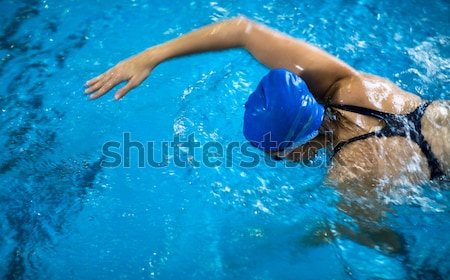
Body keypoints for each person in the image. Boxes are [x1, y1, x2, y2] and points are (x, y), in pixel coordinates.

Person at [85, 16, 449, 189]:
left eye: (276, 154)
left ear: (300, 145)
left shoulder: (352, 172)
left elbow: (380, 249)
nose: (276, 161)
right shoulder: (347, 83)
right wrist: (152, 55)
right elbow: (242, 29)